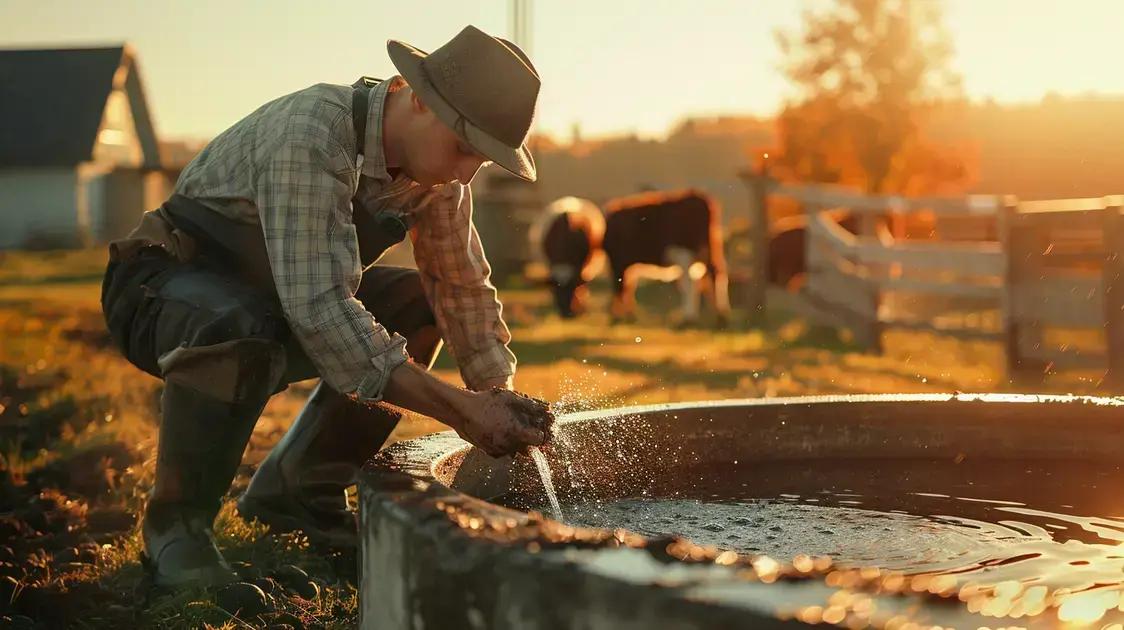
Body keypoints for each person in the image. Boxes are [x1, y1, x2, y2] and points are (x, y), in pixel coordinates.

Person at [100, 25, 555, 588]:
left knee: (418, 303)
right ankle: (177, 528)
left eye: (482, 161)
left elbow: (460, 288)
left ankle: (298, 490)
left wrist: (495, 394)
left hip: (273, 306)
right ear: (415, 98)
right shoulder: (312, 132)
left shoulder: (437, 181)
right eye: (464, 147)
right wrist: (459, 411)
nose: (465, 173)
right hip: (164, 293)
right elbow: (320, 310)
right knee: (239, 322)